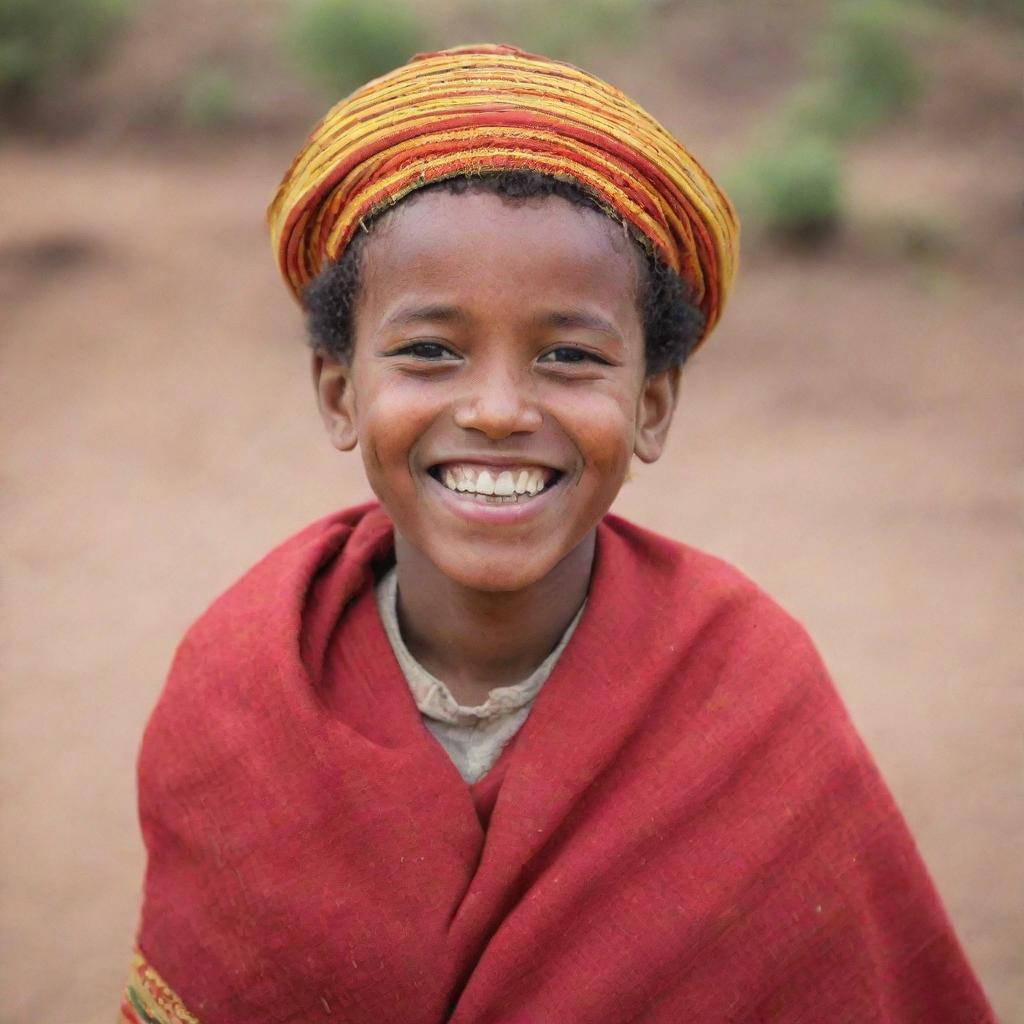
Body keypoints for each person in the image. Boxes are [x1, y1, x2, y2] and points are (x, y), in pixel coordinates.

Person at [120, 44, 993, 1024]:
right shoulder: (244, 688)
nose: (496, 409)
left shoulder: (745, 694)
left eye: (569, 356)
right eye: (430, 351)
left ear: (652, 404)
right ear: (339, 392)